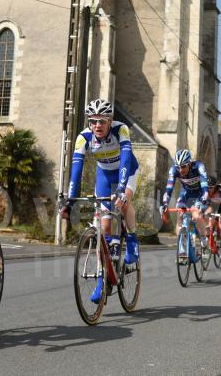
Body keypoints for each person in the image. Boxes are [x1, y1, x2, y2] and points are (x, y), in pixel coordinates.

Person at [63, 99, 141, 302]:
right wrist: (70, 200)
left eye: (102, 121)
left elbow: (126, 159)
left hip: (127, 171)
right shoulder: (83, 137)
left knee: (123, 202)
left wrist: (122, 189)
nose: (97, 125)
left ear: (110, 120)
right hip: (104, 175)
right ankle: (102, 280)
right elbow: (76, 170)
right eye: (93, 121)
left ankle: (132, 239)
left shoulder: (121, 130)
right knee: (103, 228)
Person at [161, 149, 210, 258]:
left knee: (196, 216)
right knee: (180, 216)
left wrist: (205, 197)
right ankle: (182, 248)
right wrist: (165, 204)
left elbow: (204, 184)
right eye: (178, 167)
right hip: (186, 194)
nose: (180, 170)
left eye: (183, 166)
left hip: (199, 194)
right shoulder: (174, 170)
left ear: (189, 164)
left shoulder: (198, 166)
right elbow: (169, 188)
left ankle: (204, 240)